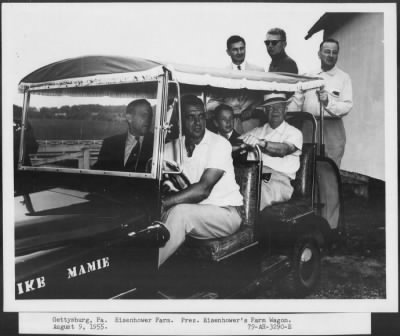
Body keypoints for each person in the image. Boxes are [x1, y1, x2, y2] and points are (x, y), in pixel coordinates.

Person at [160, 95, 243, 266]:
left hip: (226, 213)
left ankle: (142, 276)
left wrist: (163, 203)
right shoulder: (169, 148)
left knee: (180, 213)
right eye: (191, 117)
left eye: (201, 116)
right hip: (194, 211)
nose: (198, 123)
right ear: (180, 120)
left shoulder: (220, 144)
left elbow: (203, 190)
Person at [239, 93, 302, 210]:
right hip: (252, 175)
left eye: (279, 107)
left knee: (255, 191)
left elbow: (284, 149)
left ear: (285, 110)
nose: (275, 111)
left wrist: (261, 143)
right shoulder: (257, 131)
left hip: (279, 181)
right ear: (265, 111)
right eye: (270, 108)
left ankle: (250, 226)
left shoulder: (294, 133)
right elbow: (235, 144)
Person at [301, 38, 353, 167]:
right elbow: (298, 101)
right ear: (319, 53)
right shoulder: (308, 75)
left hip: (332, 128)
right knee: (307, 166)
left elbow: (347, 106)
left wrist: (328, 102)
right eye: (327, 51)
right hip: (309, 126)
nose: (330, 55)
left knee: (330, 167)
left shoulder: (343, 77)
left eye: (334, 52)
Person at [207, 35, 264, 134]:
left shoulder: (259, 71)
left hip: (253, 125)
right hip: (229, 126)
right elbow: (211, 103)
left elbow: (264, 99)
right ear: (228, 52)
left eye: (242, 48)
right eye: (235, 49)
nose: (239, 52)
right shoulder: (222, 74)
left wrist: (253, 109)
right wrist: (224, 110)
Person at [93, 99, 153, 172]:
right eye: (143, 115)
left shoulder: (158, 144)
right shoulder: (110, 144)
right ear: (129, 118)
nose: (148, 119)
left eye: (150, 116)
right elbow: (98, 172)